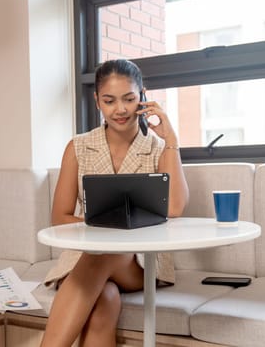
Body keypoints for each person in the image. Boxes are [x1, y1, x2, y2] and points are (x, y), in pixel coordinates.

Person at [40, 59, 189, 347]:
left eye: (129, 99)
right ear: (97, 101)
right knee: (105, 299)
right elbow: (60, 217)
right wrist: (107, 227)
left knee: (104, 252)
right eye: (109, 101)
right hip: (85, 258)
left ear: (142, 97)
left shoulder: (158, 147)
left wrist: (170, 136)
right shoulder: (78, 147)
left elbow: (174, 208)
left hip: (139, 263)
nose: (119, 109)